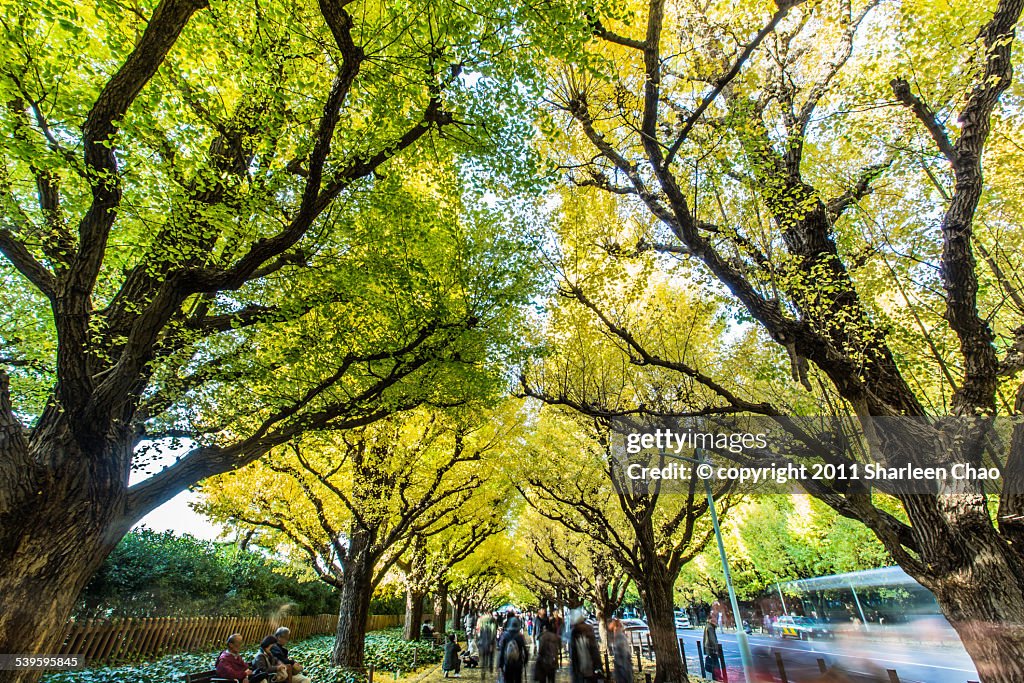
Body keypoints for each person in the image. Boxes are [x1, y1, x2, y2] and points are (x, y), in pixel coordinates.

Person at [568, 613, 601, 683]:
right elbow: (594, 650)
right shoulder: (588, 629)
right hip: (590, 667)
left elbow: (573, 653)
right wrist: (598, 665)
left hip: (580, 668)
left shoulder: (574, 632)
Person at [497, 616, 529, 683]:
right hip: (518, 663)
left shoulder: (505, 636)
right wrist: (525, 661)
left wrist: (500, 664)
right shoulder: (520, 636)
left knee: (508, 680)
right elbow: (525, 650)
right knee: (518, 680)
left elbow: (502, 651)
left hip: (507, 663)